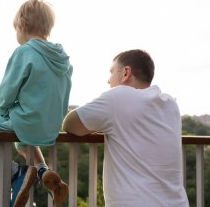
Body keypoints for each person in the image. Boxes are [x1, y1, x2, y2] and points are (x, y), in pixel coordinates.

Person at [0, 0, 73, 207]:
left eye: (16, 28)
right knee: (23, 142)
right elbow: (64, 94)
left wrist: (3, 110)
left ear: (23, 25)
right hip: (51, 127)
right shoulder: (63, 59)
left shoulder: (25, 52)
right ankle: (43, 171)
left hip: (25, 120)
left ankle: (17, 173)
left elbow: (8, 88)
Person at [62, 49, 189, 207]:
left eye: (112, 72)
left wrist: (99, 125)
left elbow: (70, 124)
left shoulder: (118, 97)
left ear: (126, 73)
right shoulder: (170, 104)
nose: (108, 80)